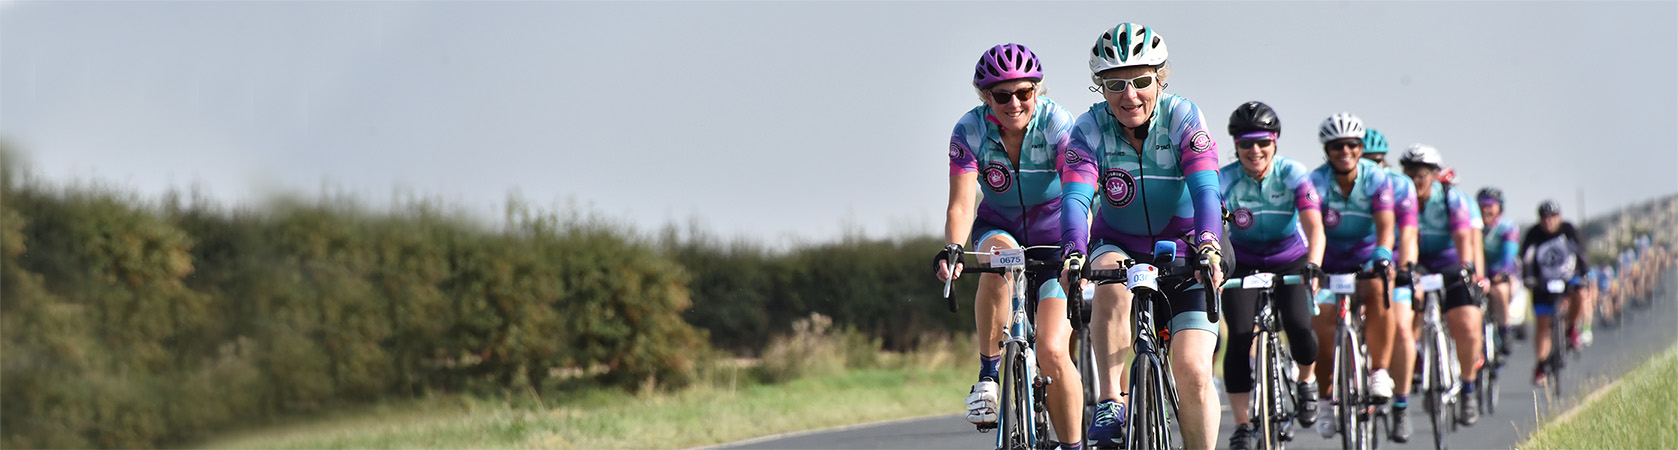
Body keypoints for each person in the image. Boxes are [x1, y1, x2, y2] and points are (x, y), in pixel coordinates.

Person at [1058, 22, 1225, 450]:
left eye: (1141, 81)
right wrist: (1073, 254)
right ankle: (1111, 399)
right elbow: (1076, 199)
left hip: (1186, 246)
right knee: (1108, 279)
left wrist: (1208, 245)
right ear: (1100, 87)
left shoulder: (1183, 116)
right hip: (1120, 244)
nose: (1129, 96)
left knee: (1191, 370)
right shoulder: (1089, 128)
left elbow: (1206, 189)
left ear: (1161, 79)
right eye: (1115, 84)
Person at [933, 43, 1083, 449]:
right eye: (1002, 95)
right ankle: (987, 375)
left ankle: (1071, 445)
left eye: (1024, 92)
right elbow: (962, 203)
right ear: (986, 97)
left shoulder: (1058, 124)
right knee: (1001, 260)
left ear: (1038, 89)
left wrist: (1076, 249)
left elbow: (1076, 194)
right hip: (999, 226)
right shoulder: (969, 130)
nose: (1014, 103)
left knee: (1053, 351)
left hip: (1055, 236)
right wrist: (953, 249)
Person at [1214, 101, 1324, 450]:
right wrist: (1214, 263)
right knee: (1240, 337)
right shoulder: (1225, 177)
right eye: (1246, 143)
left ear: (1275, 142)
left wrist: (1314, 265)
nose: (1255, 150)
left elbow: (1314, 227)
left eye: (1263, 142)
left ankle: (1306, 381)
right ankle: (1243, 425)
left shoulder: (1292, 173)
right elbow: (1211, 226)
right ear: (1236, 145)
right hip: (1242, 263)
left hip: (1289, 260)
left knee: (1299, 325)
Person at [1306, 113, 1398, 439]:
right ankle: (1329, 399)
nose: (1344, 150)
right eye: (1336, 146)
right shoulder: (1315, 181)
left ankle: (1379, 372)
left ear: (1360, 148)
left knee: (1377, 290)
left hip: (1366, 259)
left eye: (1351, 144)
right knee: (1322, 323)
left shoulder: (1377, 178)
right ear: (1327, 150)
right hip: (1328, 261)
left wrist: (1384, 255)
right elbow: (1310, 227)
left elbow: (1386, 228)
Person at [1398, 143, 1486, 425]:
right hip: (1418, 262)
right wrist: (1407, 272)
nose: (1414, 181)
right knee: (1407, 315)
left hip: (1450, 263)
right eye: (1408, 174)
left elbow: (1464, 241)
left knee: (1468, 325)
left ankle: (1469, 386)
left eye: (1420, 175)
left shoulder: (1453, 200)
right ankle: (1421, 366)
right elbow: (1404, 239)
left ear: (1434, 175)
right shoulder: (1403, 200)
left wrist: (1466, 269)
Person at [1358, 128, 1420, 442]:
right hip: (1353, 263)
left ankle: (1401, 405)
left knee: (1402, 328)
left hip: (1390, 264)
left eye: (1378, 160)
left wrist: (1406, 267)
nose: (1373, 166)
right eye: (1367, 160)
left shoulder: (1399, 185)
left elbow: (1408, 233)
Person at [1519, 200, 1587, 385]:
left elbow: (1581, 254)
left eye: (1552, 217)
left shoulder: (1568, 230)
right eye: (1545, 218)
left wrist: (1584, 274)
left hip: (1567, 279)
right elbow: (1525, 258)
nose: (1549, 222)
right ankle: (1541, 365)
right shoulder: (1534, 234)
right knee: (1542, 324)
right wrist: (1528, 278)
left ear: (1560, 217)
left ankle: (1572, 327)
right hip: (1543, 282)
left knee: (1580, 293)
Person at [1478, 186, 1521, 357]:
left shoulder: (1507, 227)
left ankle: (1505, 330)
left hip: (1503, 274)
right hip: (1482, 274)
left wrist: (1500, 273)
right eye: (1482, 205)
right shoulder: (1476, 226)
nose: (1486, 209)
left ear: (1499, 207)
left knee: (1499, 290)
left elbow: (1508, 256)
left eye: (1490, 205)